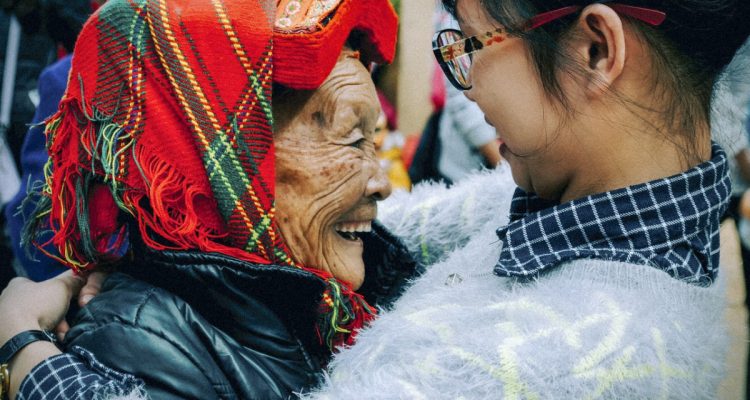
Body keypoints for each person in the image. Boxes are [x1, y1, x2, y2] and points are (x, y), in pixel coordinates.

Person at [301, 0, 750, 398]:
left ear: (596, 50)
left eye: (470, 45)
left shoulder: (529, 365)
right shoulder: (620, 198)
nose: (467, 85)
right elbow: (405, 224)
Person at [0, 0, 420, 399]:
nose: (382, 183)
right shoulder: (141, 340)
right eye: (351, 140)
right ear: (233, 165)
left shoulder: (329, 299)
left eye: (374, 140)